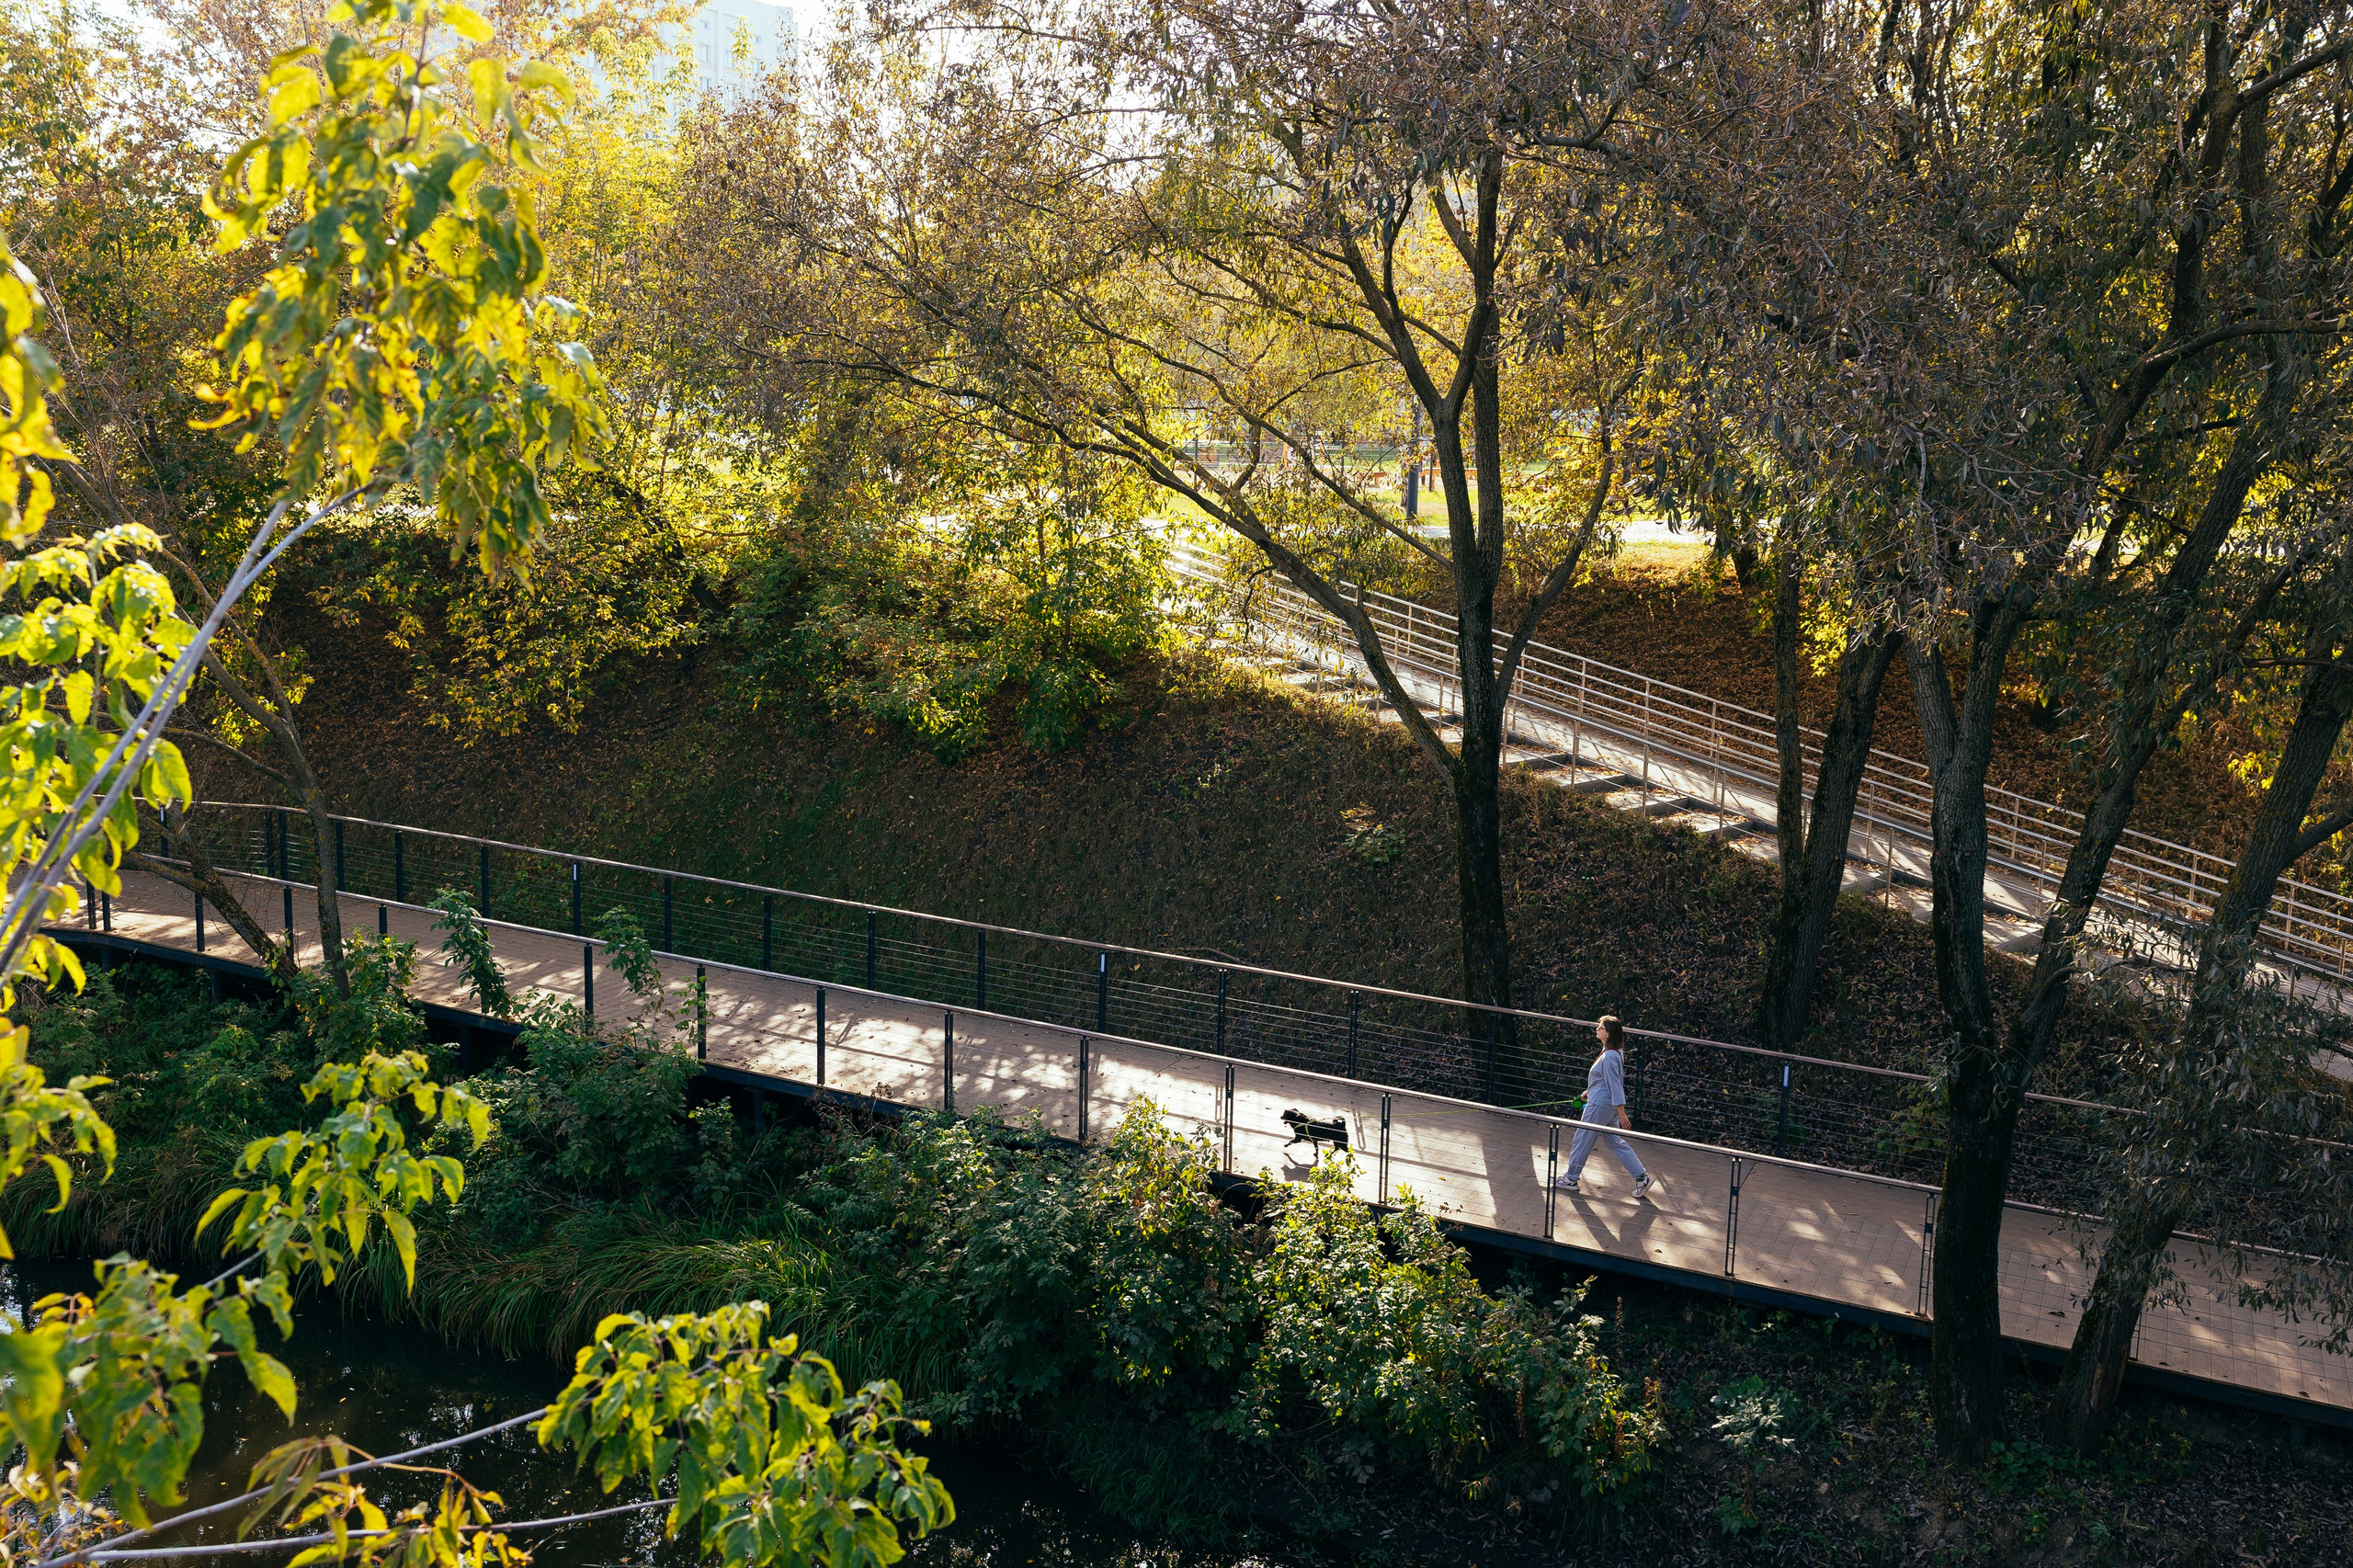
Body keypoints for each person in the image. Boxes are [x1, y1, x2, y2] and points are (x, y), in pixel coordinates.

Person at [1552, 1016, 1654, 1199]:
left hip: (1601, 1105)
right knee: (1614, 1141)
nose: (1597, 1030)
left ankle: (1570, 1179)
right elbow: (1606, 1080)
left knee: (1583, 1138)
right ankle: (1641, 1178)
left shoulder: (1608, 1057)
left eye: (1601, 1028)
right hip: (1606, 1104)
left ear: (1609, 1033)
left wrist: (1622, 1113)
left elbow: (1615, 1084)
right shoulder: (1615, 1052)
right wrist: (1589, 1090)